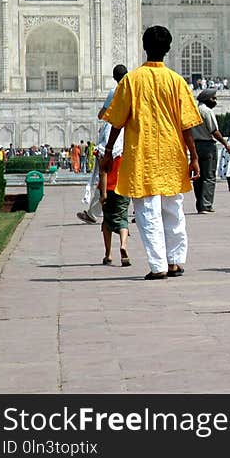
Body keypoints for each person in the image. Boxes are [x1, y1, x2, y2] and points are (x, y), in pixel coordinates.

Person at [101, 25, 202, 281]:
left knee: (147, 212)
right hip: (172, 154)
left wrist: (108, 151)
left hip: (142, 156)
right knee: (173, 210)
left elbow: (117, 122)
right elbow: (187, 125)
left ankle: (158, 266)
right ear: (168, 49)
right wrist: (194, 157)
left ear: (144, 47)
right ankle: (176, 262)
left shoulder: (132, 80)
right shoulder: (176, 81)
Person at [78, 65, 129, 225]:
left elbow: (102, 114)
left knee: (105, 176)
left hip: (113, 137)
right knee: (128, 177)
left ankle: (95, 212)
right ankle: (135, 213)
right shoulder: (134, 90)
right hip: (130, 136)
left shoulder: (115, 92)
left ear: (114, 78)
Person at [192, 89, 230, 213]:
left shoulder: (193, 110)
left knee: (198, 176)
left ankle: (200, 204)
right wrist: (226, 144)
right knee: (209, 176)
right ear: (207, 99)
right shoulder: (207, 111)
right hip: (207, 146)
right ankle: (206, 204)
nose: (215, 101)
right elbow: (214, 131)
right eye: (213, 98)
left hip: (195, 145)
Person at [97, 119, 130, 268]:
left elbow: (103, 173)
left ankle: (108, 254)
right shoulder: (126, 150)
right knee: (123, 219)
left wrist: (103, 194)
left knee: (107, 222)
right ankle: (123, 245)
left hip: (108, 190)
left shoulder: (104, 151)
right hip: (123, 189)